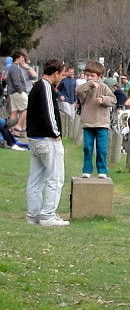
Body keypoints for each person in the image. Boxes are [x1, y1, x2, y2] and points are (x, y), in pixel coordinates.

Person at [25, 59, 69, 227]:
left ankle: (33, 214)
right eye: (61, 74)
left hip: (35, 139)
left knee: (35, 179)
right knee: (55, 178)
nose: (62, 78)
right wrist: (56, 133)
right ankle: (47, 215)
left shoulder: (37, 86)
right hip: (47, 139)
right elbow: (49, 112)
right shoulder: (45, 86)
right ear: (55, 73)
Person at [75, 61, 116, 179]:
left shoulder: (104, 87)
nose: (90, 78)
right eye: (87, 75)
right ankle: (87, 169)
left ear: (99, 76)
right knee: (87, 147)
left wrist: (103, 99)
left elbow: (113, 100)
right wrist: (89, 85)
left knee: (102, 149)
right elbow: (78, 91)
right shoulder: (84, 87)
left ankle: (102, 170)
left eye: (93, 76)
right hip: (88, 122)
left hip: (102, 123)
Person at [7, 50, 38, 136]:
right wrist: (21, 91)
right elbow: (16, 82)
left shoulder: (13, 67)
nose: (23, 59)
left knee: (14, 112)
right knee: (27, 108)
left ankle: (12, 131)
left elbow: (35, 76)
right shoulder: (15, 68)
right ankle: (18, 126)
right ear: (18, 58)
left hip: (13, 92)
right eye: (22, 57)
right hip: (18, 92)